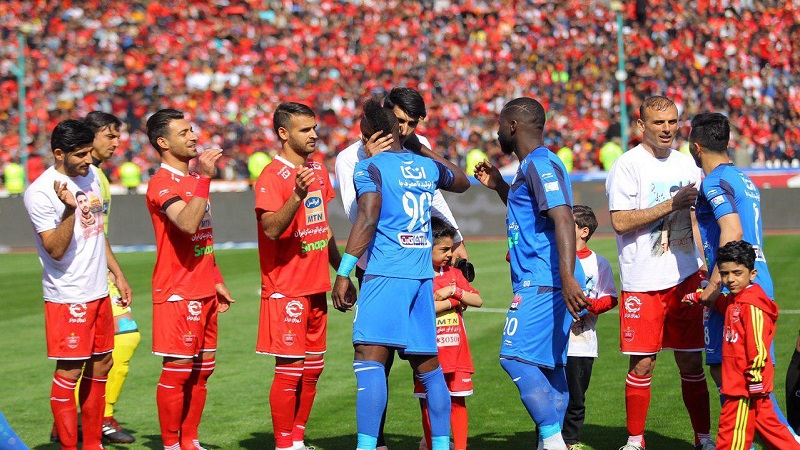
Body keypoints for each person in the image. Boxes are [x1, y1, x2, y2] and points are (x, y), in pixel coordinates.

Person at [334, 87, 471, 450]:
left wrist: (343, 272)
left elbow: (366, 219)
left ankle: (368, 446)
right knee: (429, 367)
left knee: (369, 360)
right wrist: (423, 152)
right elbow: (461, 182)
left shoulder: (369, 166)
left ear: (372, 136)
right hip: (421, 278)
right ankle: (440, 445)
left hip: (385, 274)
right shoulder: (425, 167)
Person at [474, 97, 588, 450]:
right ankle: (551, 443)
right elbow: (532, 215)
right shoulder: (532, 165)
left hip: (545, 277)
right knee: (550, 370)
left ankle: (554, 443)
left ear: (513, 126)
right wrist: (501, 187)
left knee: (514, 357)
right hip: (547, 276)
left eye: (500, 124)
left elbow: (563, 217)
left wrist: (566, 278)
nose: (497, 131)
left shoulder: (540, 162)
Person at [689, 112, 800, 445]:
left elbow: (732, 230)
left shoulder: (714, 181)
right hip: (751, 279)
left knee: (747, 382)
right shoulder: (741, 177)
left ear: (696, 147)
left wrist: (713, 287)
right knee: (730, 373)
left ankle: (787, 441)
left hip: (736, 285)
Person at [24, 119, 132, 450]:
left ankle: (93, 443)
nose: (88, 160)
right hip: (68, 295)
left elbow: (97, 229)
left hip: (99, 290)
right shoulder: (40, 192)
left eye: (88, 152)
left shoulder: (91, 177)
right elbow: (54, 249)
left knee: (103, 364)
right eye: (81, 154)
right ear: (59, 153)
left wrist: (116, 271)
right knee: (70, 371)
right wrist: (70, 211)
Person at [254, 102, 354, 450]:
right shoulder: (272, 176)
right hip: (286, 289)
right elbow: (271, 229)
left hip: (316, 287)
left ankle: (297, 440)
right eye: (304, 129)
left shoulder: (318, 170)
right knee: (289, 370)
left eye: (314, 128)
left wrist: (342, 271)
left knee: (313, 370)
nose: (313, 134)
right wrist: (297, 194)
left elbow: (322, 227)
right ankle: (284, 444)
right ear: (283, 133)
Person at [145, 109, 236, 450]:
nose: (193, 137)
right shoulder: (161, 183)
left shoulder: (193, 180)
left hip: (204, 287)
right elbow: (186, 224)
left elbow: (204, 238)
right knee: (179, 369)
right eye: (183, 133)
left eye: (191, 130)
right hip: (177, 291)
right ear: (163, 142)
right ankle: (171, 444)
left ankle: (190, 441)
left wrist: (216, 277)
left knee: (203, 370)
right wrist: (205, 179)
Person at [684, 241, 800, 450]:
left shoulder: (752, 306)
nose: (730, 279)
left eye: (737, 273)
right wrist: (699, 296)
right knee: (774, 432)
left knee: (731, 438)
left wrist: (754, 379)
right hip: (739, 384)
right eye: (725, 274)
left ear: (752, 273)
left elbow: (758, 347)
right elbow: (722, 304)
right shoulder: (736, 300)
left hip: (744, 387)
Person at [85, 111, 140, 444]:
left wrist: (115, 272)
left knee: (105, 346)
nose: (117, 142)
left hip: (100, 271)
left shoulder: (98, 175)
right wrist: (115, 273)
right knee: (124, 338)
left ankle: (83, 417)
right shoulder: (88, 175)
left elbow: (98, 231)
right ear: (90, 138)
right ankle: (99, 417)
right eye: (110, 136)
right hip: (88, 275)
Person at [414, 217, 483, 450]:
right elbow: (423, 308)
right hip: (427, 352)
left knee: (457, 401)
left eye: (451, 249)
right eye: (444, 249)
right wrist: (454, 302)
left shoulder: (454, 273)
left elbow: (477, 300)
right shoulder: (418, 274)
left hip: (457, 352)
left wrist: (453, 290)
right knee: (428, 403)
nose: (449, 254)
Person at [563, 205, 618, 450]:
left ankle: (571, 441)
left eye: (569, 223)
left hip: (581, 343)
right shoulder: (553, 254)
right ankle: (546, 440)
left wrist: (589, 305)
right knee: (549, 396)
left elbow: (611, 297)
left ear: (584, 231)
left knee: (576, 398)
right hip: (551, 341)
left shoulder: (599, 262)